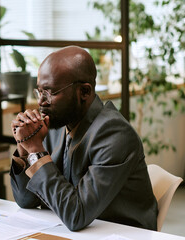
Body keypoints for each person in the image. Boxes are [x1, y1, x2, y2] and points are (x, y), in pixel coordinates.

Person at [10, 46, 158, 231]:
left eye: (50, 93)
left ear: (85, 92)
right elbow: (26, 200)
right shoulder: (57, 124)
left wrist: (36, 151)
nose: (41, 101)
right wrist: (25, 148)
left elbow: (76, 215)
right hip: (75, 231)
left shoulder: (115, 134)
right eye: (39, 91)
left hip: (121, 234)